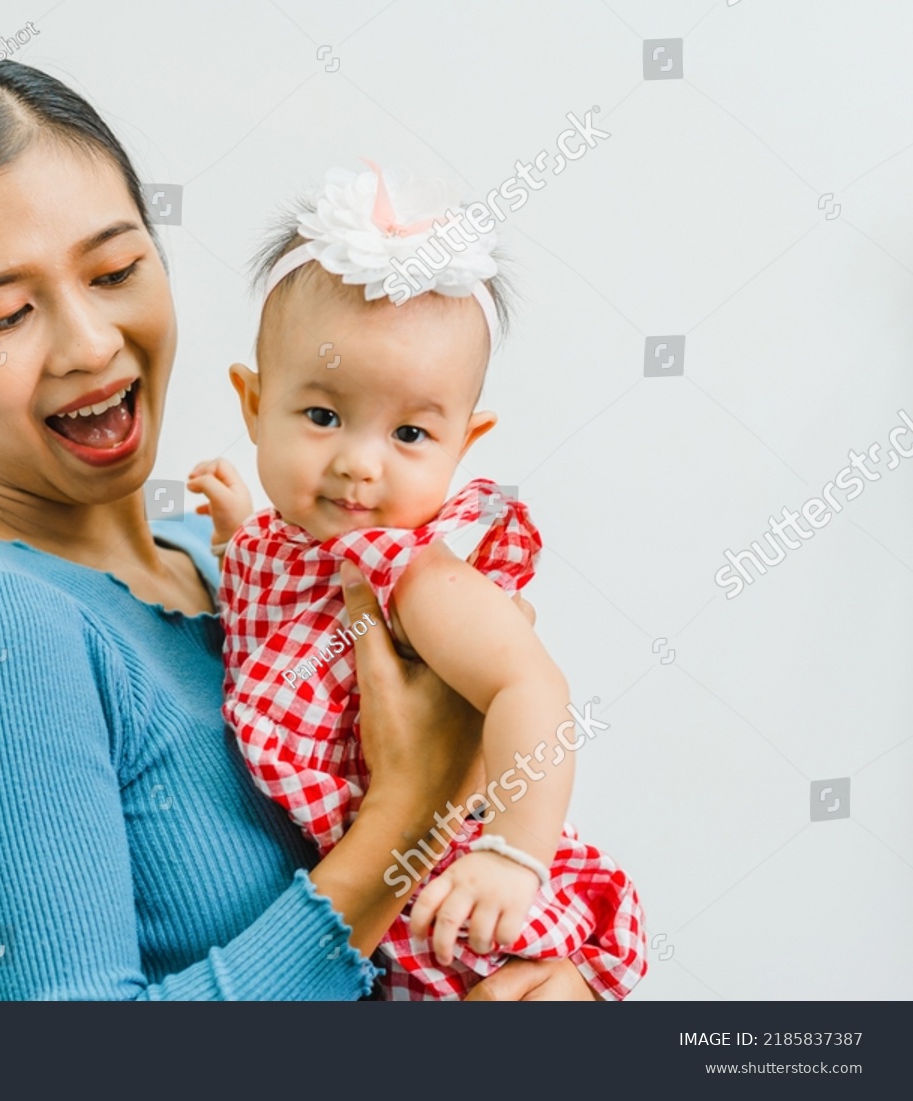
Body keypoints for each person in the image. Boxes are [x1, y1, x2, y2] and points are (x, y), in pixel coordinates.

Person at [0, 58, 599, 1000]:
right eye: (7, 312)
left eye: (115, 270)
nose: (89, 343)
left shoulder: (235, 560)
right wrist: (404, 818)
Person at [188, 163, 646, 999]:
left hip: (453, 896)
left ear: (463, 445)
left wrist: (512, 853)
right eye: (322, 416)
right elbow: (277, 616)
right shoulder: (286, 545)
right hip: (365, 908)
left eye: (408, 432)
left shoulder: (410, 572)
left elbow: (529, 684)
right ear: (253, 406)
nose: (359, 463)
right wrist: (233, 530)